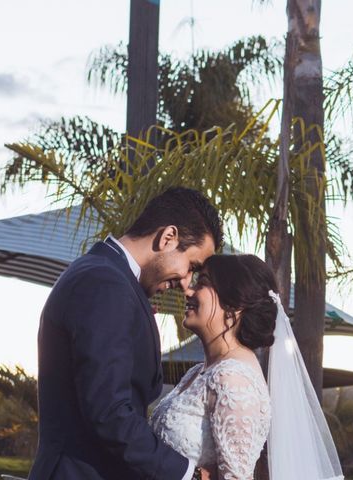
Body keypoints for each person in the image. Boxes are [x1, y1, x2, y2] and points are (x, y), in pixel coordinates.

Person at [29, 187, 222, 480]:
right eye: (191, 266)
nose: (186, 283)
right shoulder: (106, 283)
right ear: (168, 237)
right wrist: (187, 475)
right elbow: (108, 411)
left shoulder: (109, 278)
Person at [150, 255, 344, 480]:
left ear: (234, 306)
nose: (189, 292)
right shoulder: (199, 372)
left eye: (202, 283)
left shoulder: (234, 380)